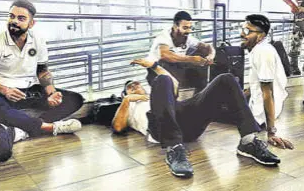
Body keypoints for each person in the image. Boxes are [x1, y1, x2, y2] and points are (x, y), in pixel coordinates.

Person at [112, 58, 281, 178]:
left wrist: (154, 65)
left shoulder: (156, 92)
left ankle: (248, 141)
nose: (134, 86)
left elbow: (174, 85)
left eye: (136, 83)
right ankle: (174, 148)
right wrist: (127, 100)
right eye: (129, 87)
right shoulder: (130, 105)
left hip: (187, 122)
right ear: (124, 93)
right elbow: (117, 127)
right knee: (162, 80)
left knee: (225, 79)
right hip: (162, 129)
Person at [0, 0, 83, 140]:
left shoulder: (38, 41)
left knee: (75, 99)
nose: (14, 21)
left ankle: (25, 128)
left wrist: (51, 93)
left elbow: (42, 71)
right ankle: (49, 127)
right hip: (4, 94)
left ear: (31, 23)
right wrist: (5, 90)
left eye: (21, 18)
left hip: (32, 92)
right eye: (11, 16)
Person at [240, 14, 294, 150]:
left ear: (261, 36)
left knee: (221, 86)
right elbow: (256, 86)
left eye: (247, 31)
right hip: (255, 105)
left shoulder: (263, 52)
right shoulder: (258, 50)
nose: (242, 34)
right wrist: (240, 96)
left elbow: (268, 93)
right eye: (242, 29)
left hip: (258, 114)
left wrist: (271, 133)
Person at [147, 11, 215, 92]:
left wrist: (211, 56)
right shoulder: (163, 36)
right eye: (185, 28)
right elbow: (165, 55)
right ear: (176, 26)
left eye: (190, 27)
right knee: (166, 62)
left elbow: (207, 46)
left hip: (175, 69)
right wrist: (192, 59)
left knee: (201, 53)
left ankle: (200, 95)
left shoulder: (186, 37)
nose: (189, 31)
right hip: (155, 72)